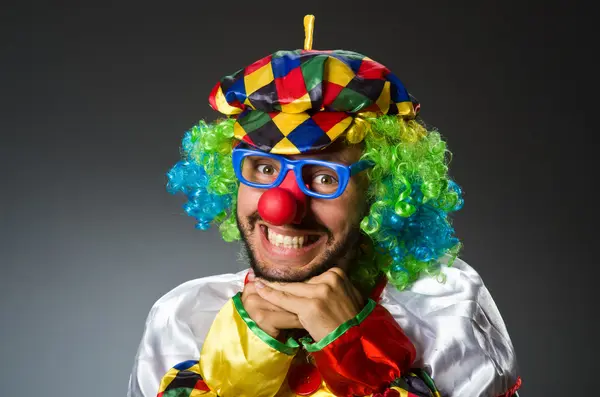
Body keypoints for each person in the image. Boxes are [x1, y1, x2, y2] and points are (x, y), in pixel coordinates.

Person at [127, 15, 521, 397]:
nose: (281, 206)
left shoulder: (445, 316)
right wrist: (233, 373)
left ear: (379, 192)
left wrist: (363, 360)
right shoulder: (184, 317)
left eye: (323, 177)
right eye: (264, 168)